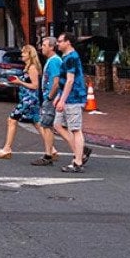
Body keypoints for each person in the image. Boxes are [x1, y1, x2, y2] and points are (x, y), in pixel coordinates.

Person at [0, 45, 43, 159]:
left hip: (28, 100)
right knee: (37, 122)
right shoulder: (28, 67)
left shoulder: (32, 68)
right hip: (29, 99)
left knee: (12, 119)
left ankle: (7, 148)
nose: (22, 55)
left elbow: (35, 86)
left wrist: (20, 82)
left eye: (24, 53)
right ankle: (51, 149)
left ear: (30, 55)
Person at [55, 32, 91, 173]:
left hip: (74, 97)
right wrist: (59, 96)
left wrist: (62, 100)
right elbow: (64, 80)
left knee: (75, 129)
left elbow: (70, 80)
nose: (58, 43)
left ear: (68, 42)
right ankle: (80, 152)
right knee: (58, 125)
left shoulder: (72, 57)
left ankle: (78, 161)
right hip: (67, 96)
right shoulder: (66, 57)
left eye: (60, 41)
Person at [31, 37, 63, 167]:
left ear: (51, 47)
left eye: (44, 45)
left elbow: (56, 82)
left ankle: (48, 154)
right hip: (51, 97)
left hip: (51, 98)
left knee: (47, 126)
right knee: (51, 126)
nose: (41, 47)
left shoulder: (54, 61)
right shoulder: (52, 60)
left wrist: (49, 97)